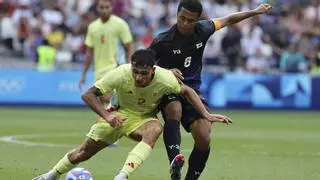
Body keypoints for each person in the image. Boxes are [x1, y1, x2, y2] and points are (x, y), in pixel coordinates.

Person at [32, 49, 231, 180]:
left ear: (153, 70)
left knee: (155, 129)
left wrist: (206, 113)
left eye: (143, 73)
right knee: (82, 153)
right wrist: (107, 116)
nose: (138, 77)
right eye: (135, 71)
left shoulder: (164, 78)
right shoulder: (121, 73)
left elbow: (187, 90)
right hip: (117, 114)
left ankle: (122, 176)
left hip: (142, 119)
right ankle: (50, 175)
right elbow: (88, 94)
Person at [148, 0, 272, 179]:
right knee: (173, 109)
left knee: (204, 137)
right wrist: (165, 72)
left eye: (190, 20)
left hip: (193, 90)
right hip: (168, 89)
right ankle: (175, 160)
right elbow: (144, 63)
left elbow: (229, 19)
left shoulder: (204, 29)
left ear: (198, 20)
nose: (185, 23)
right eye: (181, 18)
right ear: (176, 15)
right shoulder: (162, 40)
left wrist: (256, 11)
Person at [78, 0, 134, 89]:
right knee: (101, 101)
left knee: (105, 98)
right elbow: (89, 53)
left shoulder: (120, 24)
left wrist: (129, 67)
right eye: (101, 7)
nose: (104, 10)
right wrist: (84, 74)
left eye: (107, 7)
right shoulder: (92, 27)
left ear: (112, 8)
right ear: (97, 8)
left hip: (115, 68)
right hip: (98, 72)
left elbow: (129, 47)